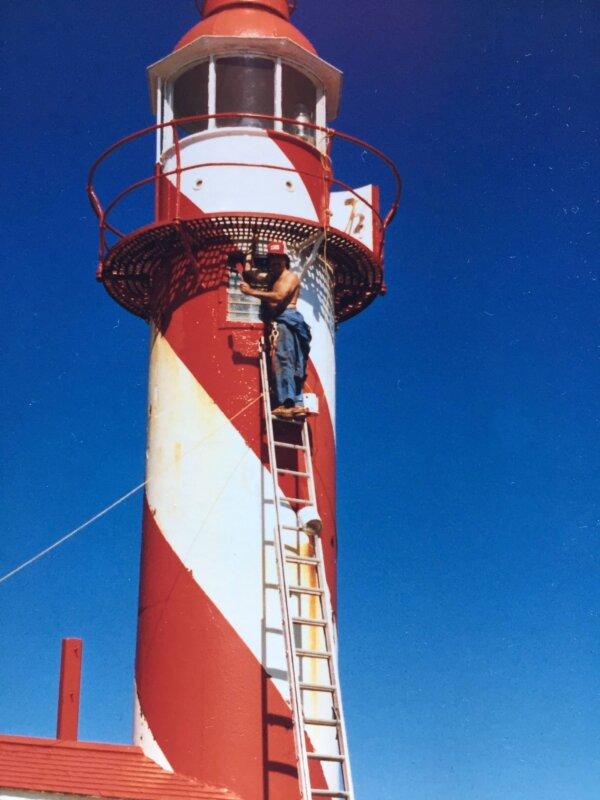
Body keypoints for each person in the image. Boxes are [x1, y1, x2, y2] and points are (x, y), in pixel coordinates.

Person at [240, 241, 311, 419]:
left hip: (287, 322)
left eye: (278, 259)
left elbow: (279, 297)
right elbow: (252, 274)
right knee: (291, 362)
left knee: (285, 360)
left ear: (285, 260)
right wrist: (252, 247)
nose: (275, 263)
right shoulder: (273, 276)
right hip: (283, 322)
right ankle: (297, 402)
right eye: (272, 260)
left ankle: (287, 404)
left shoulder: (290, 277)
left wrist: (250, 292)